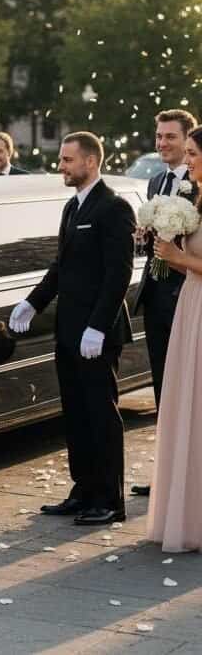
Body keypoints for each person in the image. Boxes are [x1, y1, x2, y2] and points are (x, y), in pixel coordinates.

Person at [9, 132, 134, 525]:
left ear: (91, 162)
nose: (60, 167)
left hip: (97, 335)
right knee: (76, 414)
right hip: (68, 331)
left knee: (101, 415)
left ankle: (110, 500)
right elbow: (60, 268)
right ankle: (83, 490)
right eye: (61, 160)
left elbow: (119, 275)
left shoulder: (114, 207)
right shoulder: (71, 207)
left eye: (67, 160)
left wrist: (98, 327)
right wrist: (33, 301)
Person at [131, 109, 198, 498]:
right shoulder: (156, 180)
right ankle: (165, 472)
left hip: (187, 294)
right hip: (156, 296)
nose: (162, 144)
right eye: (158, 137)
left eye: (170, 137)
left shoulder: (198, 182)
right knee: (164, 386)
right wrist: (145, 235)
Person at [146, 124, 202, 552]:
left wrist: (179, 256)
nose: (189, 162)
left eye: (195, 155)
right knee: (187, 404)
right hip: (191, 304)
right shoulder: (196, 200)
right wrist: (167, 251)